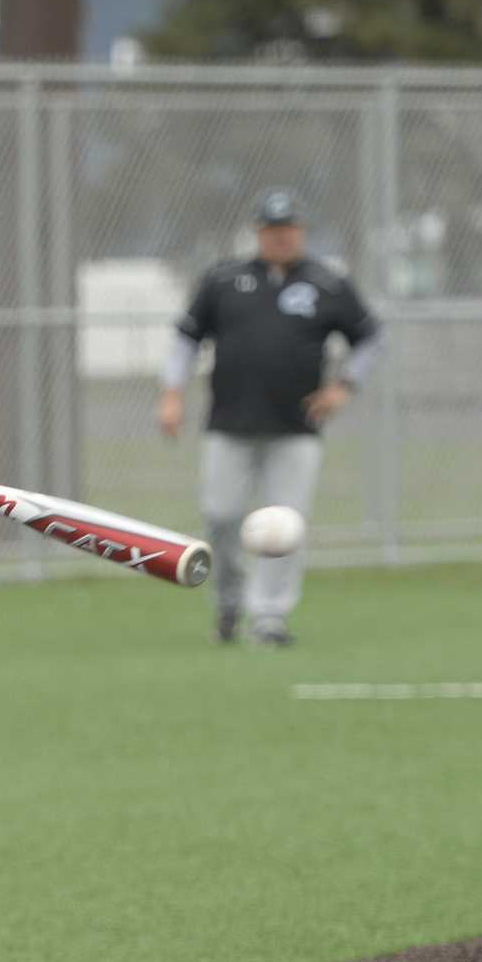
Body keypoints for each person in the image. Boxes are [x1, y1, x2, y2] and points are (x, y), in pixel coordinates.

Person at [156, 189, 385, 646]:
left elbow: (371, 338)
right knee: (219, 516)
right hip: (230, 423)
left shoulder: (327, 283)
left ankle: (269, 617)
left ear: (301, 231)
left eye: (289, 228)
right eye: (272, 229)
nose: (281, 237)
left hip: (295, 427)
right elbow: (186, 340)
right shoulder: (224, 280)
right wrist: (172, 394)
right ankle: (228, 602)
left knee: (284, 527)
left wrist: (344, 387)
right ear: (258, 232)